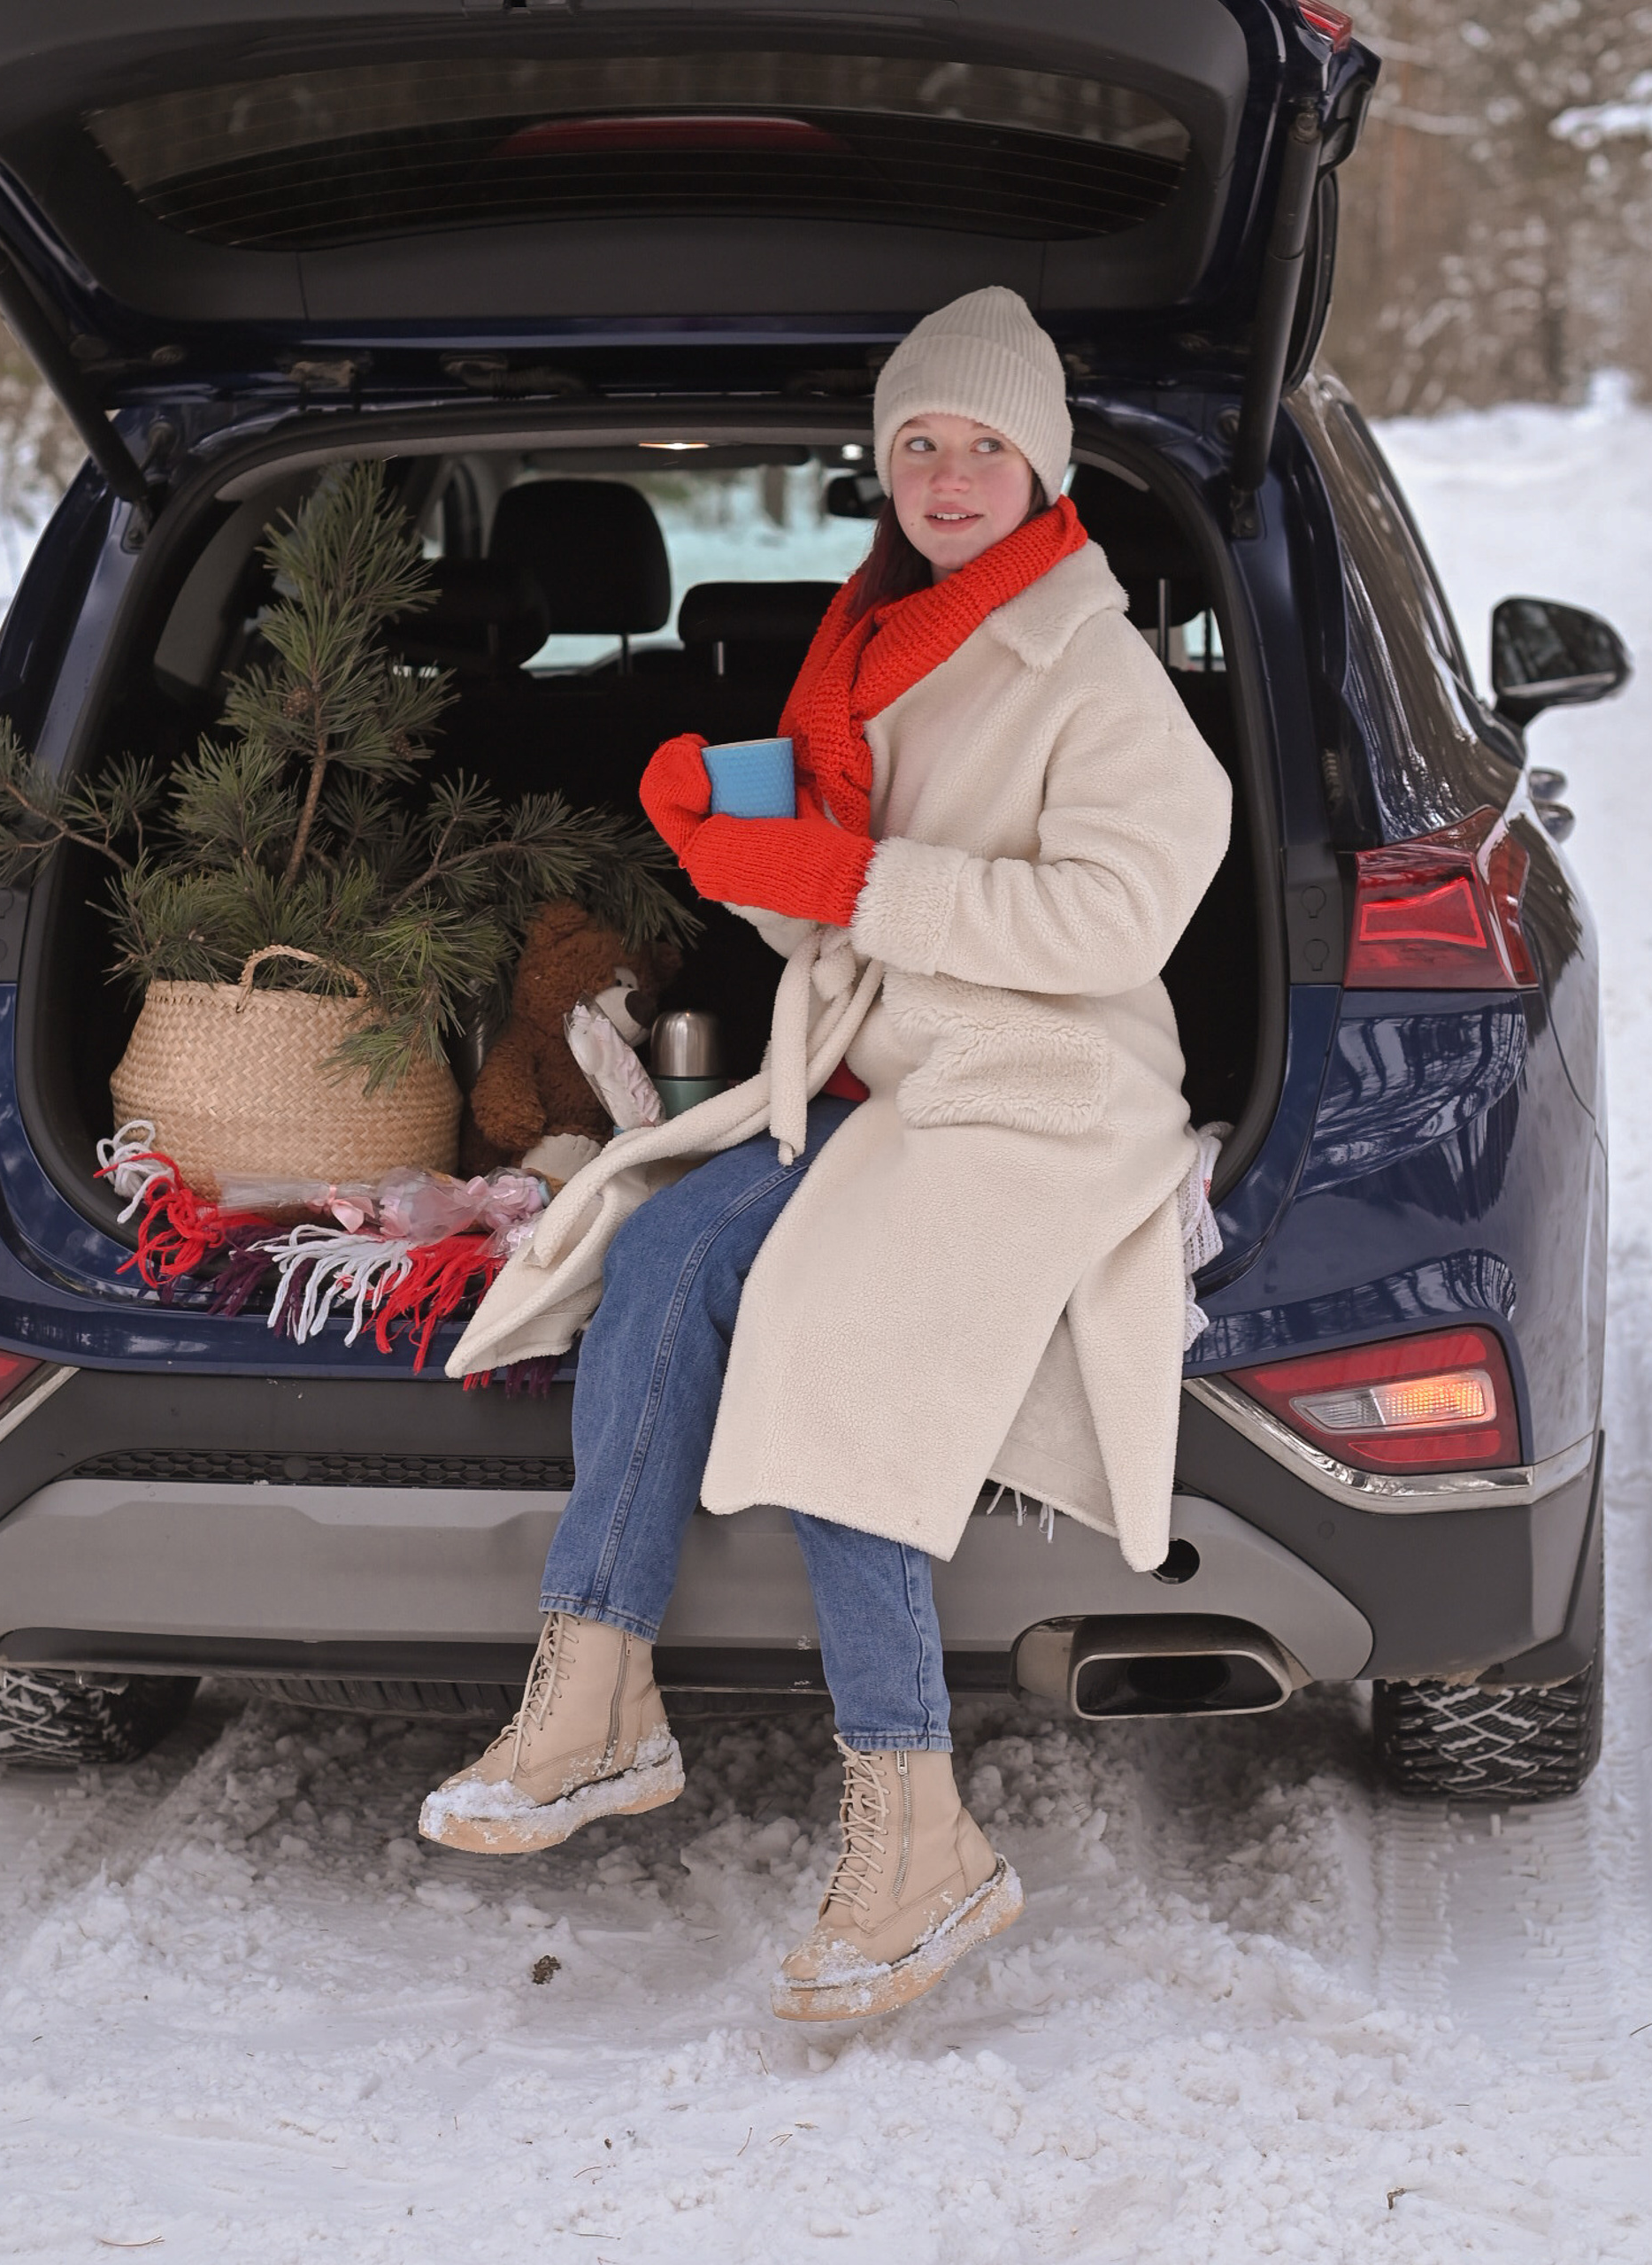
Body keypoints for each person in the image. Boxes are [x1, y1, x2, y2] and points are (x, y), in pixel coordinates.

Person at [420, 287, 1232, 2022]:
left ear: (1043, 463)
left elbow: (1128, 904)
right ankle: (595, 1694)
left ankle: (920, 1827)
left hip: (1047, 1075)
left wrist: (856, 887)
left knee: (842, 1316)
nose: (943, 472)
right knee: (652, 1243)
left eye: (979, 443)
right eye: (915, 443)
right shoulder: (873, 640)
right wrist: (748, 857)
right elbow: (836, 898)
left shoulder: (1089, 665)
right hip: (888, 1055)